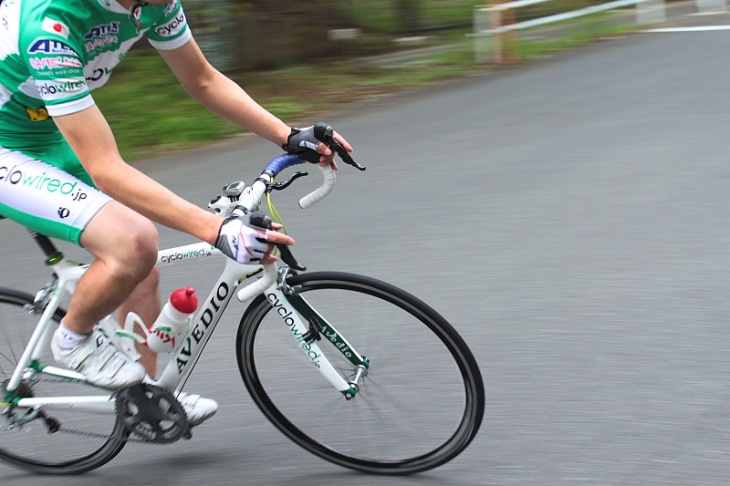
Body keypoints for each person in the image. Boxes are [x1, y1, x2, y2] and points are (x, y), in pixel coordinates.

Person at [0, 0, 353, 426]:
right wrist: (216, 229)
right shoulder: (50, 23)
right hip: (9, 150)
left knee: (139, 271)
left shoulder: (156, 3)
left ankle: (146, 398)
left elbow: (202, 80)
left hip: (49, 136)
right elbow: (106, 169)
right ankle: (73, 340)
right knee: (133, 242)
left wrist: (287, 135)